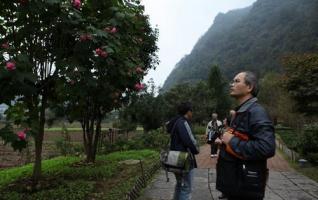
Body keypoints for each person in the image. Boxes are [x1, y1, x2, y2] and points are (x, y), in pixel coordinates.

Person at [215, 71, 275, 200]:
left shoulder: (256, 112)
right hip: (236, 185)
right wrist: (225, 143)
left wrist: (231, 141)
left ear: (249, 87)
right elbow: (243, 137)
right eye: (233, 81)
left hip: (245, 188)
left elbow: (266, 147)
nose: (231, 84)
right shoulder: (242, 111)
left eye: (237, 81)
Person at [166, 102, 200, 200]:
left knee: (180, 184)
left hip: (175, 159)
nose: (192, 113)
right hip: (184, 160)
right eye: (191, 111)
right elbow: (189, 140)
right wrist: (196, 150)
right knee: (186, 188)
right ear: (188, 112)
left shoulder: (175, 122)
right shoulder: (183, 122)